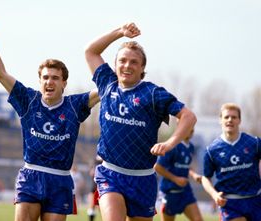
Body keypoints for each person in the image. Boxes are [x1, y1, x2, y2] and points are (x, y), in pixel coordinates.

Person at [0, 21, 99, 221]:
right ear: (39, 80)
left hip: (60, 180)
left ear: (64, 83)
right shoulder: (28, 100)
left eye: (55, 78)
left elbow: (105, 89)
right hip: (31, 176)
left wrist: (123, 72)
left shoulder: (75, 105)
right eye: (45, 77)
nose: (49, 82)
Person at [84, 22, 197, 221]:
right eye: (123, 61)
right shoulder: (106, 83)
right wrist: (120, 33)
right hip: (110, 173)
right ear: (116, 64)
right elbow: (91, 51)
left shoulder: (153, 93)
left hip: (143, 178)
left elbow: (189, 117)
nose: (127, 66)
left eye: (134, 62)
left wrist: (169, 143)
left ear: (142, 67)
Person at [201, 103, 261, 221]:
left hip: (256, 200)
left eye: (234, 117)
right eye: (226, 117)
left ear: (239, 120)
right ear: (220, 120)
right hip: (230, 203)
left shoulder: (254, 143)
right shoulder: (212, 150)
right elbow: (205, 178)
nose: (230, 120)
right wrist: (214, 194)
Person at [154, 127, 203, 221]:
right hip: (170, 192)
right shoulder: (172, 146)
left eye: (192, 127)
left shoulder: (191, 147)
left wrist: (194, 175)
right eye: (188, 126)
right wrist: (175, 179)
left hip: (185, 191)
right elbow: (158, 167)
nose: (190, 130)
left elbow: (186, 166)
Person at [87, 155, 102, 221]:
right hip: (94, 186)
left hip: (102, 187)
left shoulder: (105, 161)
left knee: (101, 207)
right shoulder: (95, 161)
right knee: (92, 205)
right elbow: (91, 172)